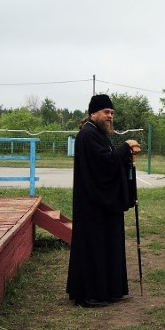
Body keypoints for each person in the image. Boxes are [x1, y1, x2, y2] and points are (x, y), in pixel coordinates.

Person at [66, 94, 141, 308]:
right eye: (106, 112)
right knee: (93, 247)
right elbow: (105, 164)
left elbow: (110, 162)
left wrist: (125, 157)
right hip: (91, 205)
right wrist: (125, 147)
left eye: (112, 113)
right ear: (93, 113)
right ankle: (89, 294)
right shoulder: (88, 134)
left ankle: (109, 290)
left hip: (101, 203)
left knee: (107, 245)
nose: (110, 116)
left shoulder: (97, 133)